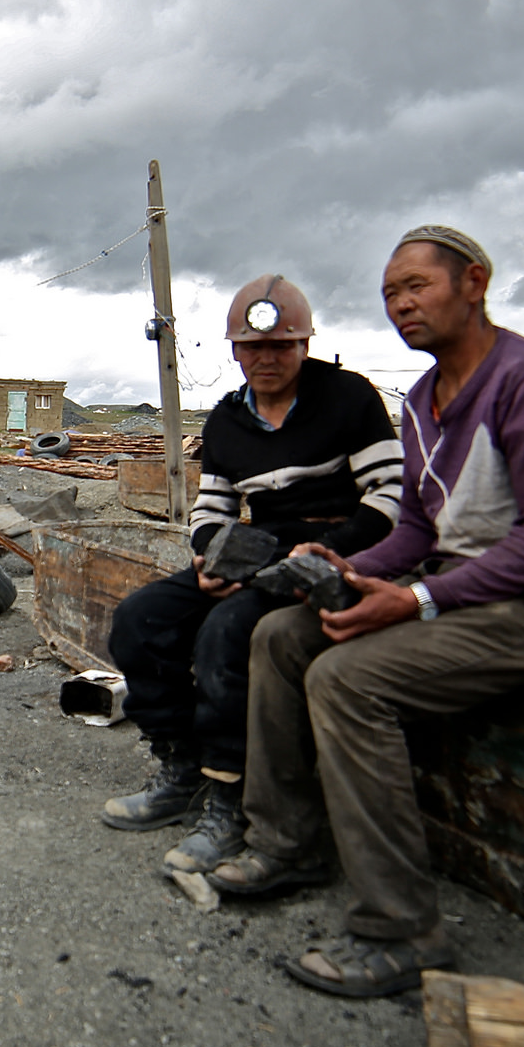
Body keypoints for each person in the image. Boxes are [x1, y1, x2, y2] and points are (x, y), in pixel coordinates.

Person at [208, 225, 524, 998]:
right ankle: (287, 840)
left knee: (347, 680)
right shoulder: (426, 400)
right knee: (280, 634)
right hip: (459, 586)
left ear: (474, 283)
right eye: (390, 293)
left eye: (416, 287)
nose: (401, 304)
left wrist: (416, 597)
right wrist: (347, 567)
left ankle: (402, 929)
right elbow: (420, 532)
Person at [102, 274, 403, 877]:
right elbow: (211, 511)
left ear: (304, 346)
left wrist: (329, 551)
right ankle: (180, 766)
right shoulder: (224, 423)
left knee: (227, 633)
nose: (267, 359)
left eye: (281, 346)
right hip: (257, 546)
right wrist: (216, 558)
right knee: (140, 621)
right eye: (253, 347)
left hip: (339, 549)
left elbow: (390, 495)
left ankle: (231, 799)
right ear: (235, 351)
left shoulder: (349, 399)